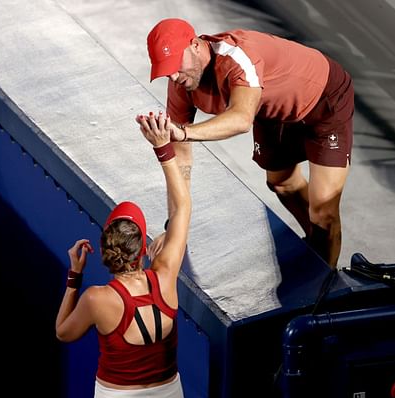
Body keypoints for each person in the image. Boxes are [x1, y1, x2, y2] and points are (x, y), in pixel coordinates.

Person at [145, 18, 354, 268]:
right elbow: (180, 159)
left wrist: (185, 132)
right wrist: (174, 228)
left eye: (176, 66)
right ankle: (317, 246)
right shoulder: (181, 85)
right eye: (167, 70)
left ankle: (324, 282)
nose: (175, 76)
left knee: (324, 211)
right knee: (282, 184)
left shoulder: (237, 57)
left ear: (195, 45)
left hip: (324, 101)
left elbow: (242, 119)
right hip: (271, 110)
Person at [55, 111, 194, 398]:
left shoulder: (97, 299)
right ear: (144, 249)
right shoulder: (165, 275)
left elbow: (63, 332)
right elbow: (184, 208)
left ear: (104, 251)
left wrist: (74, 275)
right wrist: (163, 149)